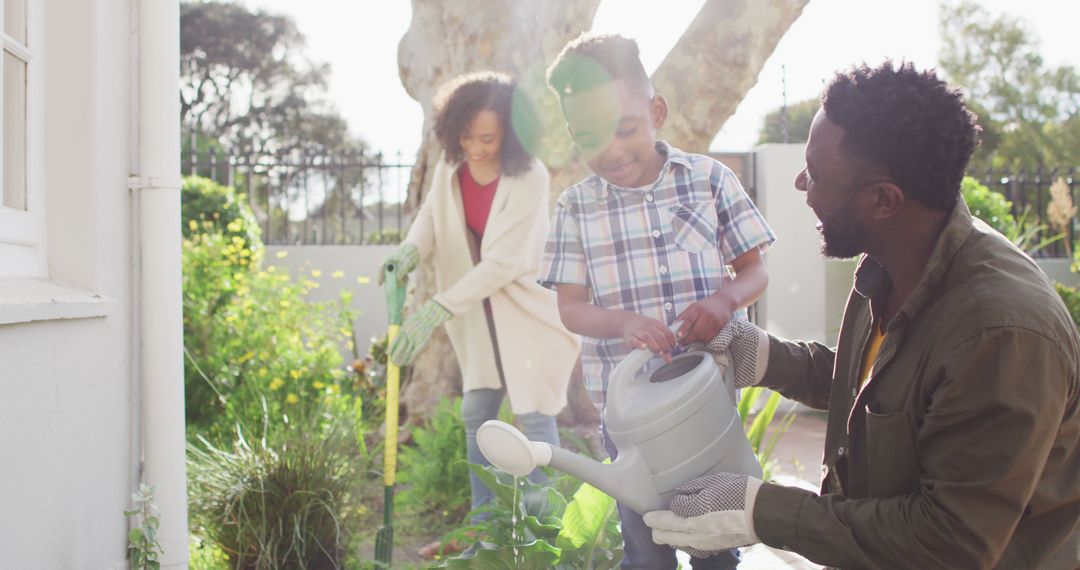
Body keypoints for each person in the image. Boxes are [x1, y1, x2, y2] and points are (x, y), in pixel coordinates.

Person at [644, 61, 1080, 569]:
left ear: (883, 200)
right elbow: (887, 392)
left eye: (818, 173)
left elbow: (952, 542)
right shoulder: (893, 260)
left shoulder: (1002, 332)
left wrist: (762, 511)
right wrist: (762, 356)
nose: (801, 183)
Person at [538, 33, 776, 569]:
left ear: (656, 110)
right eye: (590, 137)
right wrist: (622, 322)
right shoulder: (575, 207)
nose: (612, 150)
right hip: (628, 419)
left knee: (716, 544)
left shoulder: (710, 180)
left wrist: (723, 301)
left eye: (625, 129)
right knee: (646, 550)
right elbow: (570, 307)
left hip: (705, 403)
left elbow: (755, 270)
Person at [377, 71, 580, 557]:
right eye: (465, 136)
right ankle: (482, 529)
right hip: (474, 316)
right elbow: (430, 217)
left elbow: (504, 263)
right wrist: (407, 253)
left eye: (487, 138)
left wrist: (432, 311)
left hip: (525, 313)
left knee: (534, 418)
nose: (475, 148)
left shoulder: (529, 177)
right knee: (477, 412)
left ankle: (543, 534)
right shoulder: (451, 170)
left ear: (510, 133)